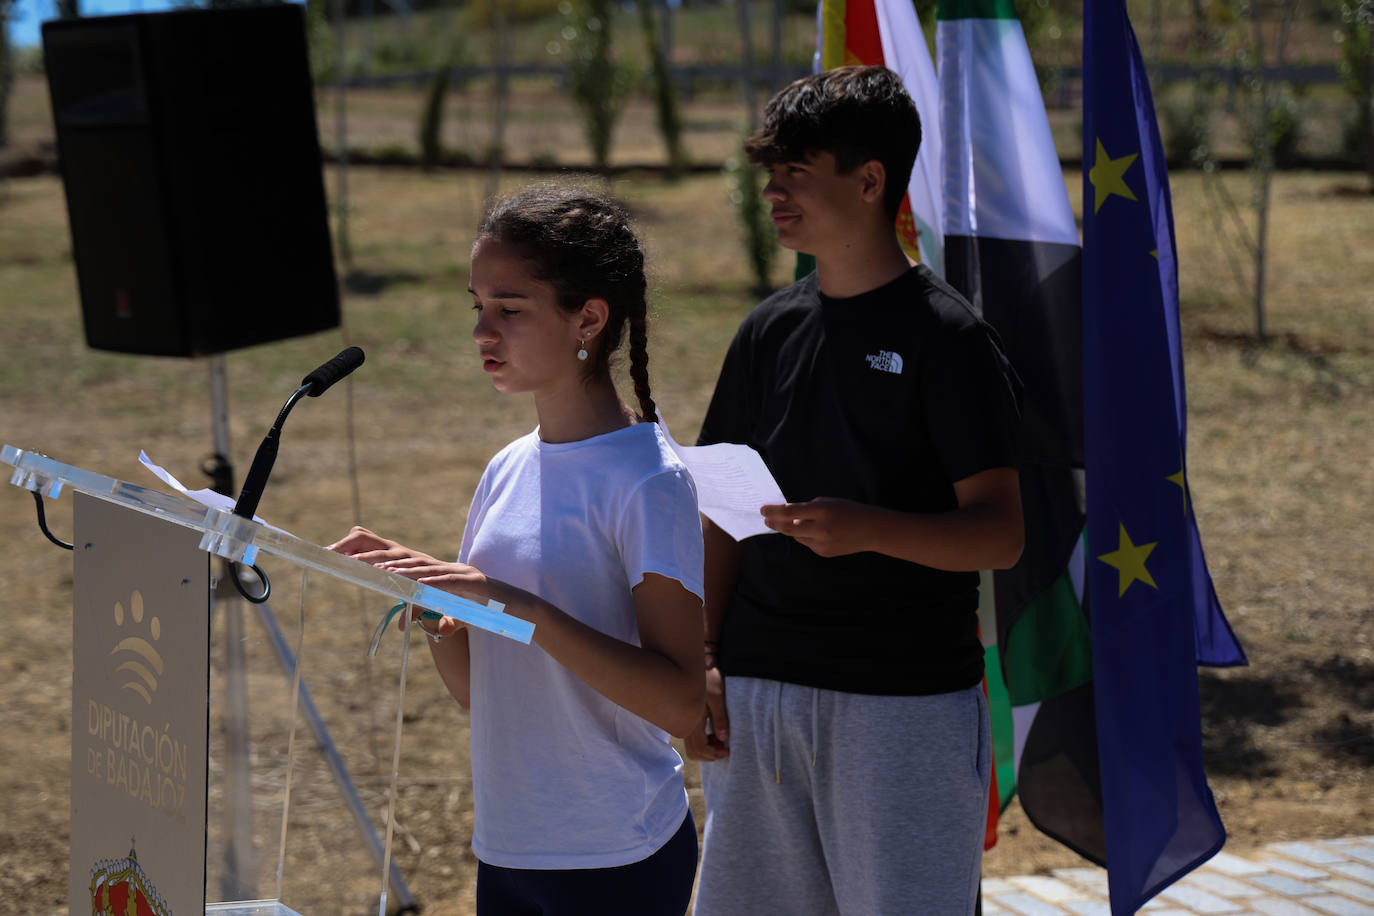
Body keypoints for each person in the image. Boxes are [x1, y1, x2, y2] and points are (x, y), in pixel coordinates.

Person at [685, 65, 1025, 916]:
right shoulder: (766, 330)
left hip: (901, 705)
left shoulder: (949, 337)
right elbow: (721, 518)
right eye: (770, 177)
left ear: (871, 181)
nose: (773, 196)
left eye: (796, 174)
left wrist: (869, 528)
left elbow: (1000, 534)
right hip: (759, 696)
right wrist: (706, 661)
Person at [330, 186, 705, 916]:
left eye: (510, 309)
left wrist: (518, 608)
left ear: (588, 318)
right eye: (476, 306)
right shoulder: (506, 466)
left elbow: (682, 702)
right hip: (509, 847)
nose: (481, 332)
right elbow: (484, 691)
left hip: (616, 854)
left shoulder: (649, 481)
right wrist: (435, 608)